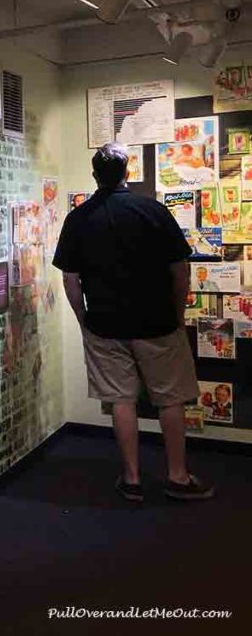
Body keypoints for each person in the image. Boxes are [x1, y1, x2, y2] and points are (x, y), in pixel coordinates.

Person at [53, 143, 214, 501]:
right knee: (170, 399)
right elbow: (179, 271)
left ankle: (132, 479)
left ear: (95, 175)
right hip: (158, 322)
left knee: (120, 400)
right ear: (128, 173)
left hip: (105, 325)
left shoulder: (79, 218)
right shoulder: (152, 210)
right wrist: (177, 313)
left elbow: (70, 278)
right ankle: (177, 476)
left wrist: (83, 319)